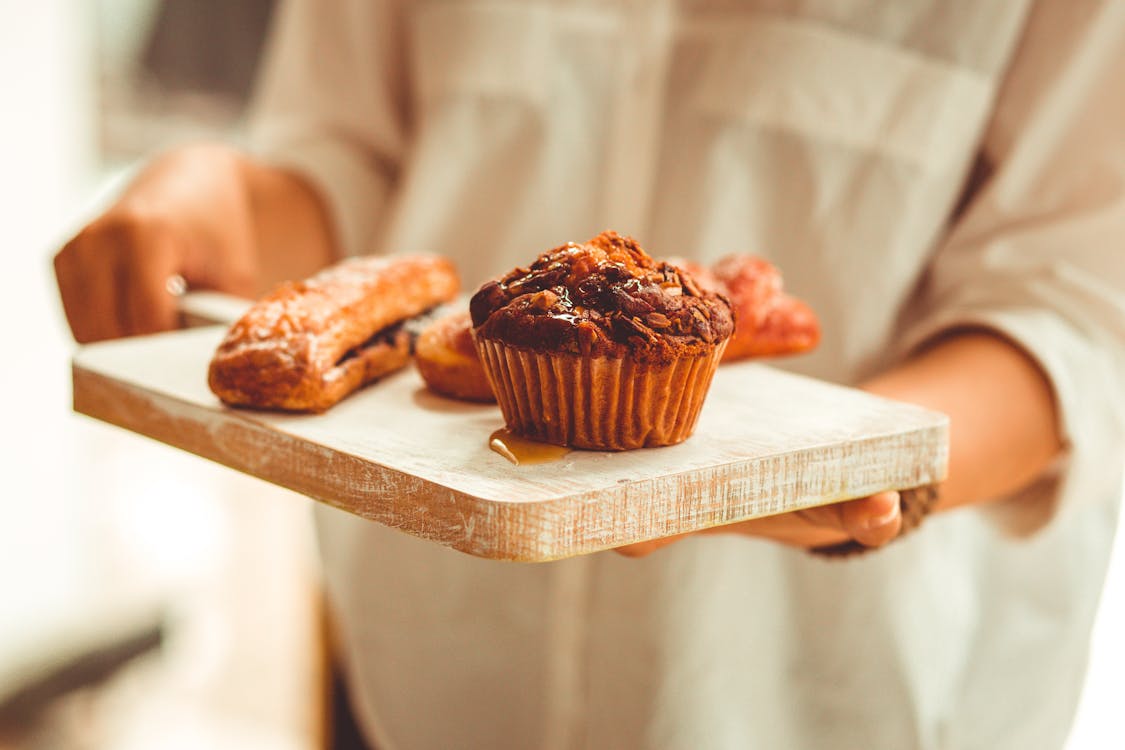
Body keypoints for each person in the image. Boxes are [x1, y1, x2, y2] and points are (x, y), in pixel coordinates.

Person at [54, 1, 1125, 748]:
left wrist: (851, 469)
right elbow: (351, 153)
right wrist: (229, 196)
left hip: (845, 690)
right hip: (423, 652)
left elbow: (1070, 305)